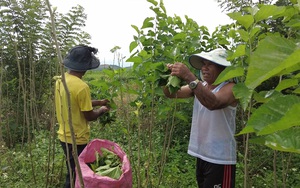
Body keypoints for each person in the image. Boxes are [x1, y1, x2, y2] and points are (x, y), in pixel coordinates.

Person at [163, 48, 238, 188]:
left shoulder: (231, 88)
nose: (204, 68)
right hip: (202, 155)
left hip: (220, 159)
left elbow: (213, 103)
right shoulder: (200, 86)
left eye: (210, 64)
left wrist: (189, 76)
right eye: (203, 64)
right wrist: (167, 76)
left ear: (223, 68)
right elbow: (171, 93)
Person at [54, 45, 110, 188]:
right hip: (77, 138)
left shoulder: (61, 80)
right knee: (75, 174)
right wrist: (102, 110)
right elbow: (89, 116)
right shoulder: (82, 86)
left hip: (63, 135)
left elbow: (74, 102)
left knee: (72, 169)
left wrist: (98, 102)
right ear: (85, 67)